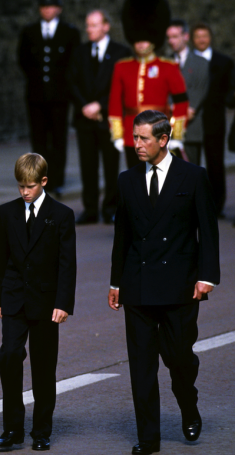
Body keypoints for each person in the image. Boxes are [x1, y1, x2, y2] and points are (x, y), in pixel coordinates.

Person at [108, 110, 219, 455]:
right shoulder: (126, 180)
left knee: (179, 359)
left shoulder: (193, 176)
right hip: (138, 285)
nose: (136, 144)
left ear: (163, 140)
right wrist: (115, 283)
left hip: (180, 286)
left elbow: (208, 231)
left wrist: (207, 277)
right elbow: (121, 236)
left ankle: (188, 403)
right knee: (141, 366)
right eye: (135, 137)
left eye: (143, 138)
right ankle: (148, 438)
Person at [0, 153, 76, 451]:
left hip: (46, 303)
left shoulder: (62, 215)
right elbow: (1, 258)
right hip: (14, 299)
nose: (24, 192)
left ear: (43, 181)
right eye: (20, 186)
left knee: (43, 368)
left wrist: (64, 303)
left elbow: (68, 264)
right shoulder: (6, 212)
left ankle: (41, 431)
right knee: (9, 356)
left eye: (29, 186)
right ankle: (12, 429)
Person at [67, 9, 131, 225]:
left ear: (106, 26)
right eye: (88, 25)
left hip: (109, 119)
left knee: (111, 165)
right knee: (88, 165)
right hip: (84, 118)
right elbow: (72, 81)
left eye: (94, 25)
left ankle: (111, 208)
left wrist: (100, 106)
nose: (89, 29)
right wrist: (85, 106)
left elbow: (122, 86)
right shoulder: (80, 52)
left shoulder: (121, 52)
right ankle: (90, 209)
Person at [109, 0, 188, 169]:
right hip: (132, 134)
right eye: (138, 40)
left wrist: (177, 133)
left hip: (159, 132)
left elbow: (181, 101)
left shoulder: (168, 67)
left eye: (145, 40)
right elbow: (115, 102)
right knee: (136, 181)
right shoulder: (122, 67)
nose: (141, 44)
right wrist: (117, 134)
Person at [18, 0, 80, 195]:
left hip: (60, 96)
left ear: (59, 9)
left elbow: (73, 63)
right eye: (44, 6)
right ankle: (39, 179)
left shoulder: (70, 32)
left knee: (58, 139)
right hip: (36, 95)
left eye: (51, 6)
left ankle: (57, 179)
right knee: (38, 140)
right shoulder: (29, 32)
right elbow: (23, 60)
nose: (47, 9)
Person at [191, 22, 233, 217]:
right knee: (190, 164)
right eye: (198, 36)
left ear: (210, 38)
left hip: (214, 121)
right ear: (192, 38)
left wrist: (223, 103)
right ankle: (191, 206)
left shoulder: (224, 62)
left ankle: (217, 205)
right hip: (191, 121)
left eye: (205, 36)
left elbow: (231, 89)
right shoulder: (186, 61)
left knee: (215, 164)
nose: (201, 39)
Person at [166, 19, 209, 166]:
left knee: (191, 170)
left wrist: (189, 108)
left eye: (175, 36)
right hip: (169, 126)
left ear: (185, 36)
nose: (171, 41)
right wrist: (170, 107)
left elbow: (200, 88)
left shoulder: (200, 62)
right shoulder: (166, 63)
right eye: (169, 37)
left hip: (191, 127)